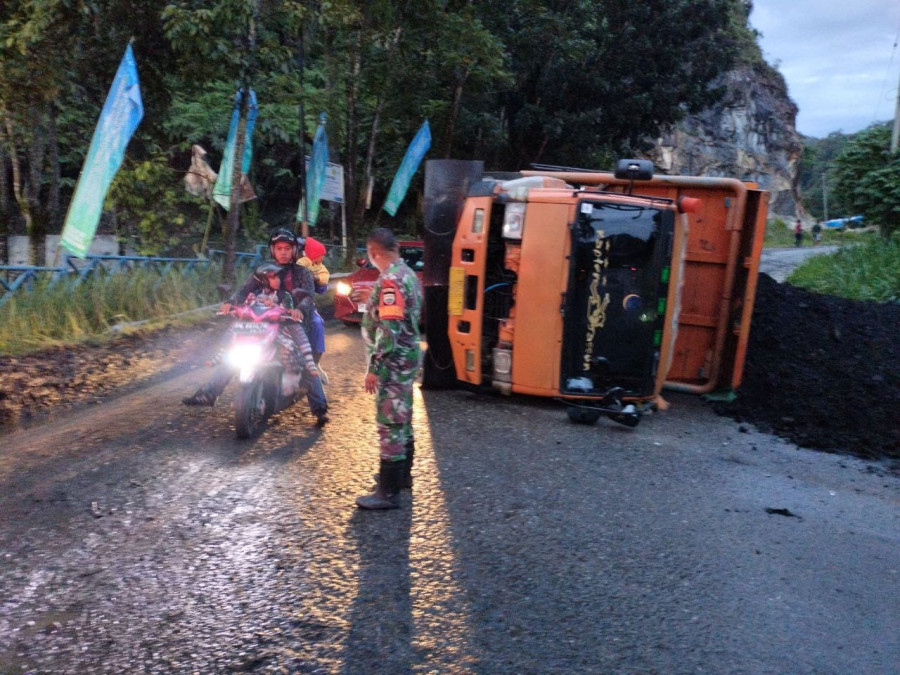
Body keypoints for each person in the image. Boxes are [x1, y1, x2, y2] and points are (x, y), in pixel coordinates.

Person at [184, 228, 330, 426]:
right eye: (279, 248)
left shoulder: (302, 272)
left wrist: (299, 311)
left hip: (290, 323)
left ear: (295, 250)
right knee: (232, 354)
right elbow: (245, 290)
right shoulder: (263, 270)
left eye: (288, 248)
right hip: (263, 323)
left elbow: (307, 298)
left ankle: (319, 407)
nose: (283, 252)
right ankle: (209, 394)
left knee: (302, 362)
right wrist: (231, 302)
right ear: (272, 250)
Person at [181, 262, 319, 408]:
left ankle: (317, 402)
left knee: (294, 360)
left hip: (276, 336)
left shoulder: (285, 295)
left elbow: (291, 308)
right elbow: (241, 299)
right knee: (230, 360)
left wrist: (290, 311)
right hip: (254, 334)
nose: (277, 281)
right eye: (273, 278)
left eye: (278, 277)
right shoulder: (253, 294)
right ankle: (208, 394)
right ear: (264, 280)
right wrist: (230, 305)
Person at [355, 228, 424, 510]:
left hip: (393, 362)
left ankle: (388, 491)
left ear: (374, 253)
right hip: (407, 358)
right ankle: (402, 476)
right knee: (402, 417)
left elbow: (389, 328)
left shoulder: (391, 280)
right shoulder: (406, 273)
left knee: (391, 422)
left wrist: (375, 367)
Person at [296, 236, 330, 379]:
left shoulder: (317, 268)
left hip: (306, 306)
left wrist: (315, 279)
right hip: (281, 306)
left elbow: (322, 289)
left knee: (317, 324)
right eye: (280, 248)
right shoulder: (276, 266)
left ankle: (315, 363)